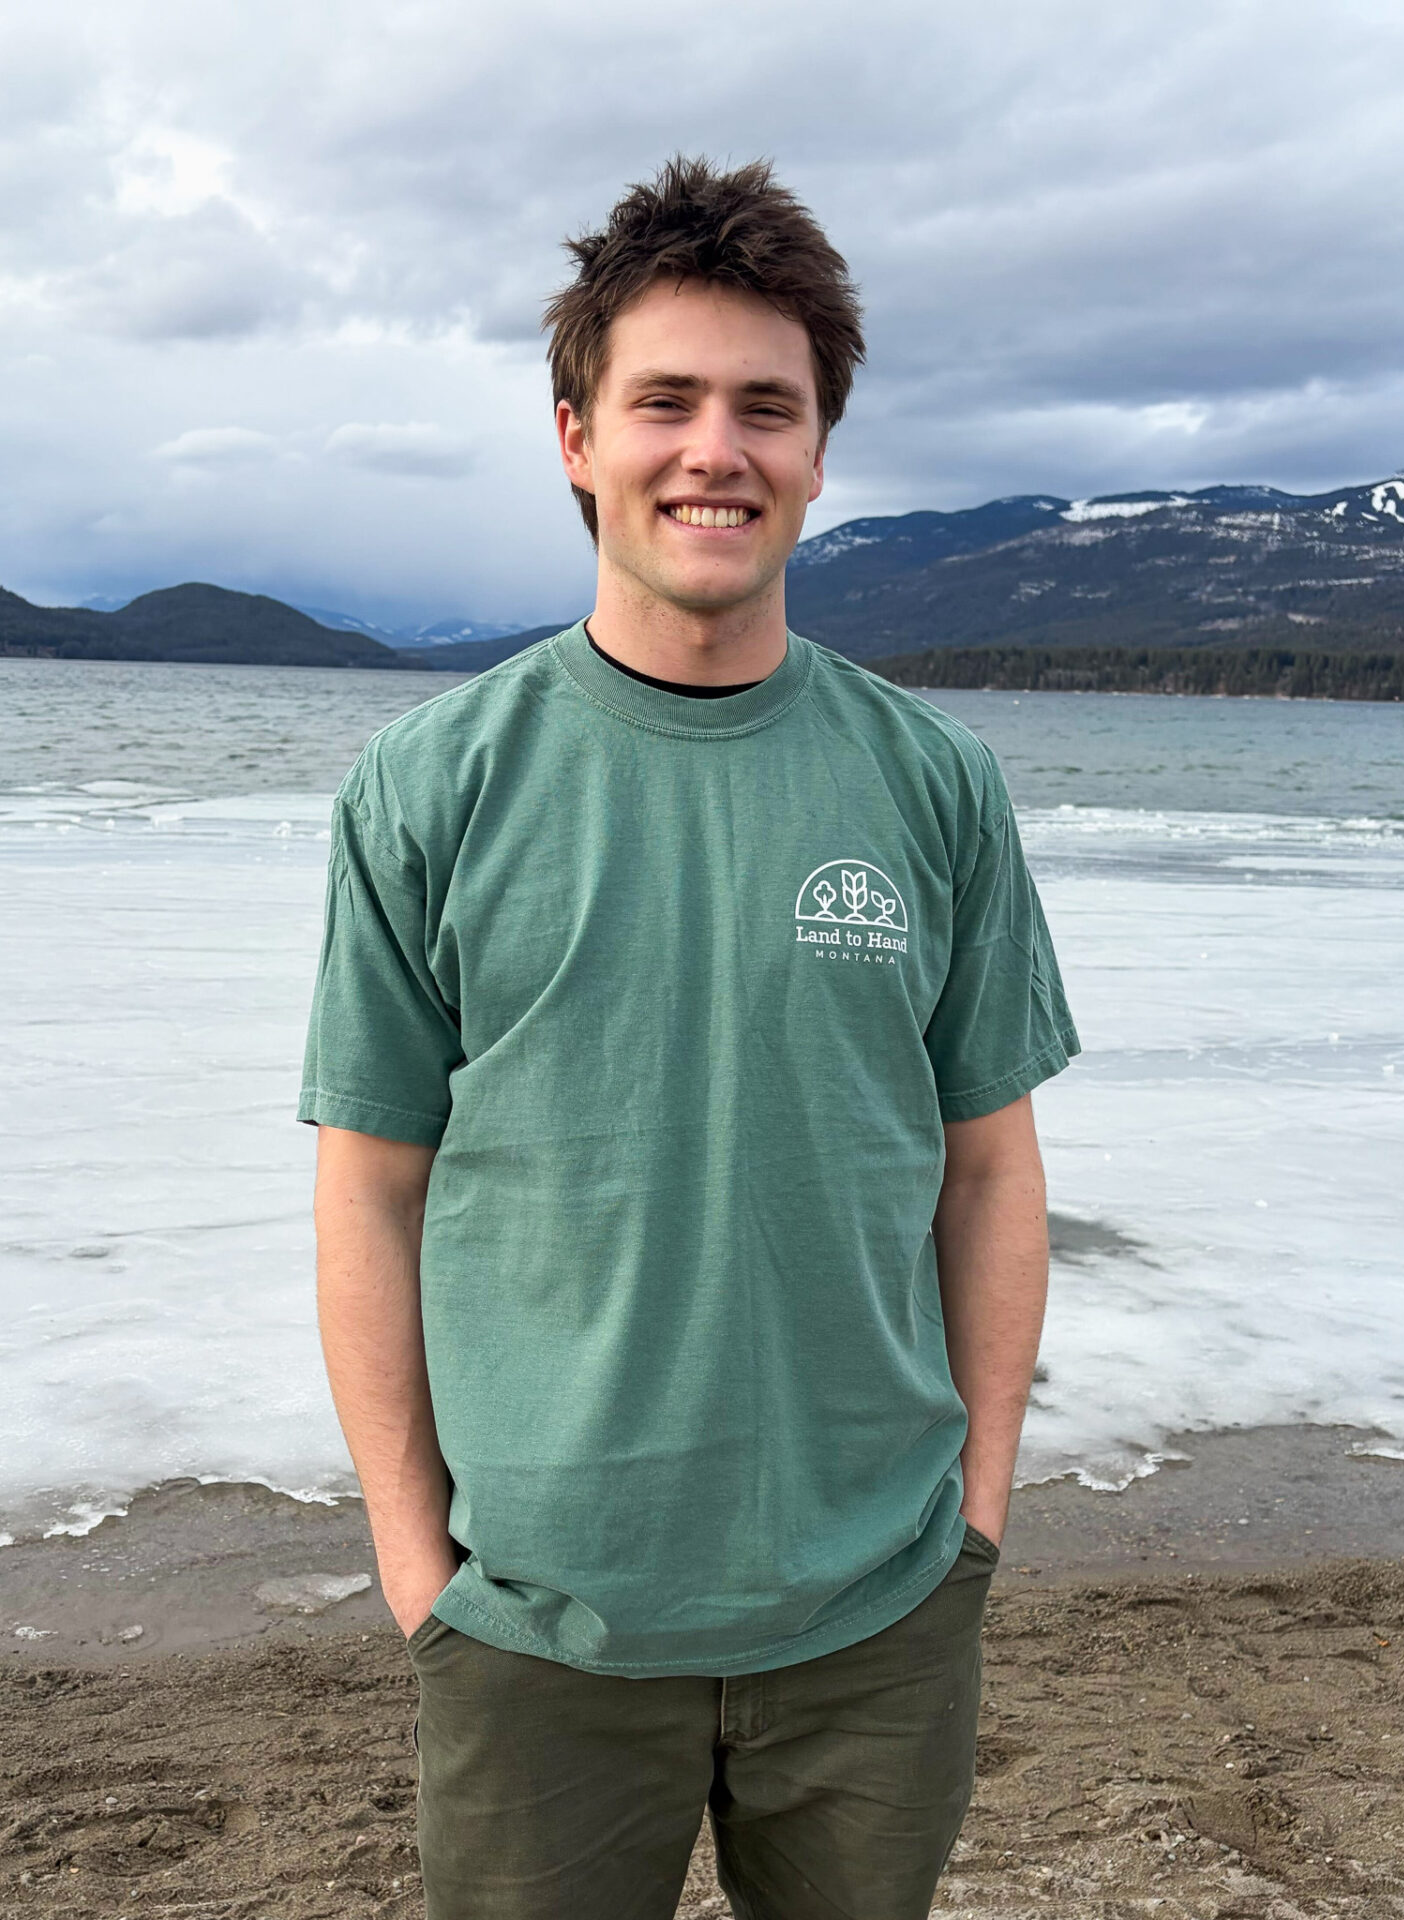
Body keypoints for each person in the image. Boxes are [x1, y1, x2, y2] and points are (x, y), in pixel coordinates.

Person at [298, 154, 1080, 1920]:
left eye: (765, 408)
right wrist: (419, 1569)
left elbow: (987, 1171)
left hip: (878, 1611)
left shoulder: (932, 782)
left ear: (820, 454)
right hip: (538, 1625)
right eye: (665, 402)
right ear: (577, 437)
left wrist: (976, 1520)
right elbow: (370, 1192)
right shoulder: (433, 785)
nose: (715, 450)